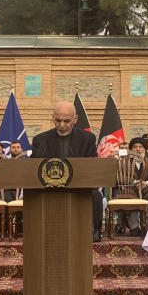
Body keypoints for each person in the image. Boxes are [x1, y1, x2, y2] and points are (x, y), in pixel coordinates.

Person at [30, 100, 103, 241]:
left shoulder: (87, 138)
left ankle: (94, 231)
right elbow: (34, 166)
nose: (62, 125)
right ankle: (37, 233)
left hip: (79, 184)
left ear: (75, 119)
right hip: (50, 185)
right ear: (52, 118)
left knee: (95, 194)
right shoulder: (41, 139)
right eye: (58, 121)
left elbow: (92, 165)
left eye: (66, 121)